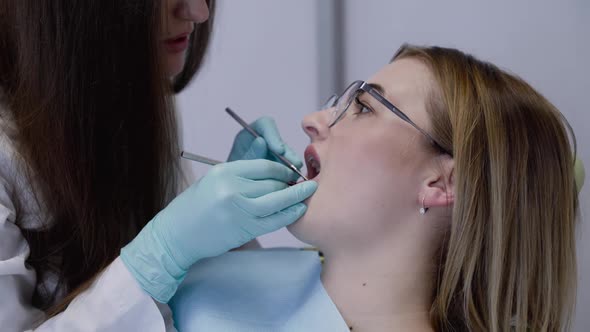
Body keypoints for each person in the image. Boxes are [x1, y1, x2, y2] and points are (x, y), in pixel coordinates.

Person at [170, 44, 581, 332]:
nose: (313, 119)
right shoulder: (234, 280)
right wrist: (223, 244)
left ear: (442, 181)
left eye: (364, 108)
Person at [0, 0, 317, 331]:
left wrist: (226, 240)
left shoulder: (130, 90)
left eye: (363, 106)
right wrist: (157, 258)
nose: (199, 12)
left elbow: (190, 305)